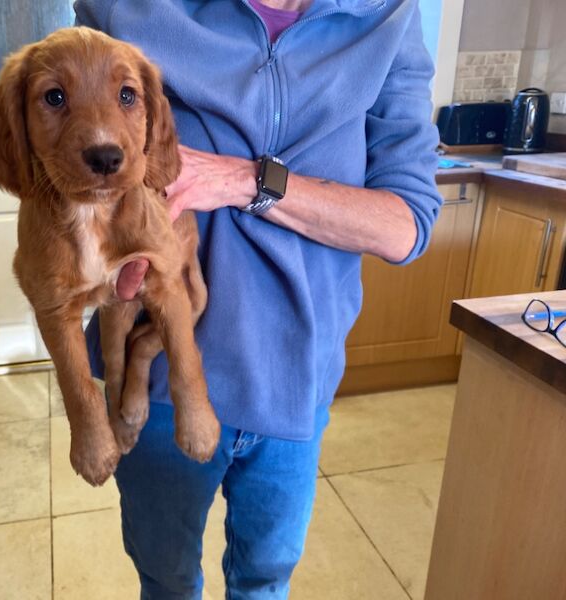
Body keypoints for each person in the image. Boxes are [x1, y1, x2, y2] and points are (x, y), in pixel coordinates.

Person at [76, 0, 441, 598]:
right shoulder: (130, 9)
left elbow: (405, 225)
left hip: (298, 379)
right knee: (165, 579)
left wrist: (247, 179)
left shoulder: (389, 18)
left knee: (264, 581)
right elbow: (63, 149)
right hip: (164, 377)